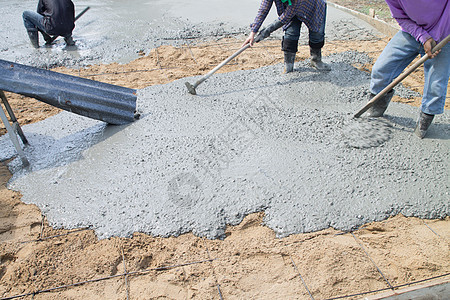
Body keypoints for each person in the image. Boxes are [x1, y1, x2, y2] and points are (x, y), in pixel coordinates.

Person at [367, 0, 449, 139]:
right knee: (381, 69)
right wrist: (422, 36)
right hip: (412, 31)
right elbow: (400, 17)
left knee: (436, 84)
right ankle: (377, 106)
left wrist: (438, 34)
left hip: (444, 34)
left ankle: (424, 121)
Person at [242, 0, 330, 73]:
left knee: (317, 35)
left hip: (312, 7)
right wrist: (253, 32)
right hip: (290, 7)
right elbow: (263, 9)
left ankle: (316, 60)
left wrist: (265, 32)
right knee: (290, 34)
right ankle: (288, 66)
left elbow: (286, 17)